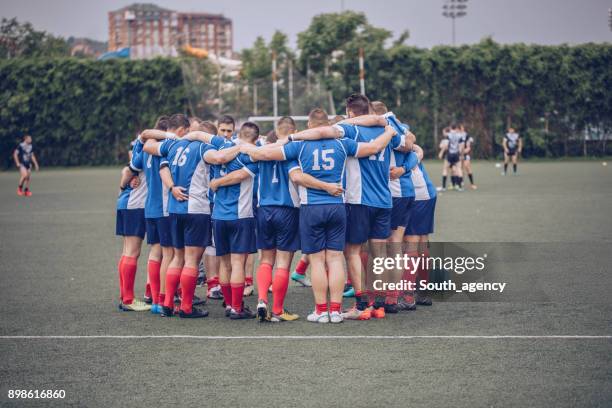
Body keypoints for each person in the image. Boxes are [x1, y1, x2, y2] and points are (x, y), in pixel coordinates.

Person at [242, 108, 398, 324]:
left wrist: (242, 145)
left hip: (311, 208)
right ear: (329, 125)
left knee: (316, 261)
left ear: (308, 125)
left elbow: (263, 154)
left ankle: (320, 310)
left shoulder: (299, 145)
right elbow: (374, 147)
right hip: (337, 206)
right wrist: (389, 132)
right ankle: (335, 310)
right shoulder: (343, 143)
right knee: (335, 259)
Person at [142, 114, 239, 318]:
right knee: (192, 260)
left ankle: (167, 303)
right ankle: (186, 307)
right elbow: (220, 158)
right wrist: (242, 147)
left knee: (177, 258)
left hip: (175, 210)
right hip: (196, 209)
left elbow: (157, 158)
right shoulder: (203, 148)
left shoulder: (174, 146)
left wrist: (172, 187)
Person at [208, 122, 262, 319]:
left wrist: (216, 183)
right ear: (256, 139)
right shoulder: (252, 156)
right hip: (240, 216)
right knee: (238, 262)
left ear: (238, 135)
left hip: (218, 216)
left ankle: (230, 304)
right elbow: (239, 176)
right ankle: (237, 308)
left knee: (224, 263)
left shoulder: (220, 150)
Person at [116, 141, 149, 312]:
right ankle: (128, 299)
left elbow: (128, 169)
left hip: (128, 203)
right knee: (132, 252)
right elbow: (128, 170)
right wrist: (123, 186)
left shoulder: (141, 146)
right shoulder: (148, 148)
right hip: (134, 204)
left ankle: (124, 297)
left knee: (127, 251)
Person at [460, 124, 477, 189]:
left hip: (465, 154)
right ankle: (460, 183)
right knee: (460, 169)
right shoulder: (457, 135)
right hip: (458, 155)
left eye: (462, 127)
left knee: (468, 168)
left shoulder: (466, 135)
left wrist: (464, 152)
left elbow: (468, 147)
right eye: (460, 128)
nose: (461, 129)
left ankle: (472, 184)